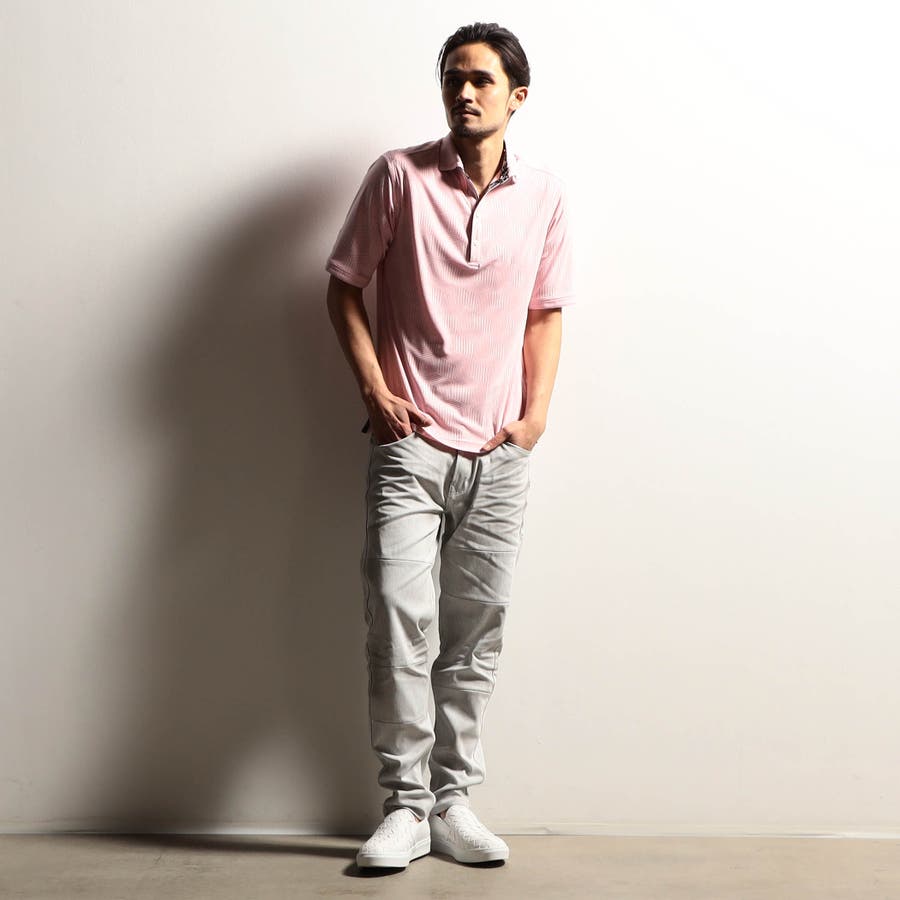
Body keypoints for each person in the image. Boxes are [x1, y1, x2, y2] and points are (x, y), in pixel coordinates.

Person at [325, 21, 575, 870]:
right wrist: (373, 389)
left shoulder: (545, 196)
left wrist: (535, 418)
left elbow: (545, 313)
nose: (463, 92)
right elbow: (343, 285)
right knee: (399, 625)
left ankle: (453, 803)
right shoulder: (398, 177)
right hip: (410, 446)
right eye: (452, 79)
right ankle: (404, 806)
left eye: (480, 80)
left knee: (475, 634)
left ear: (517, 96)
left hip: (499, 453)